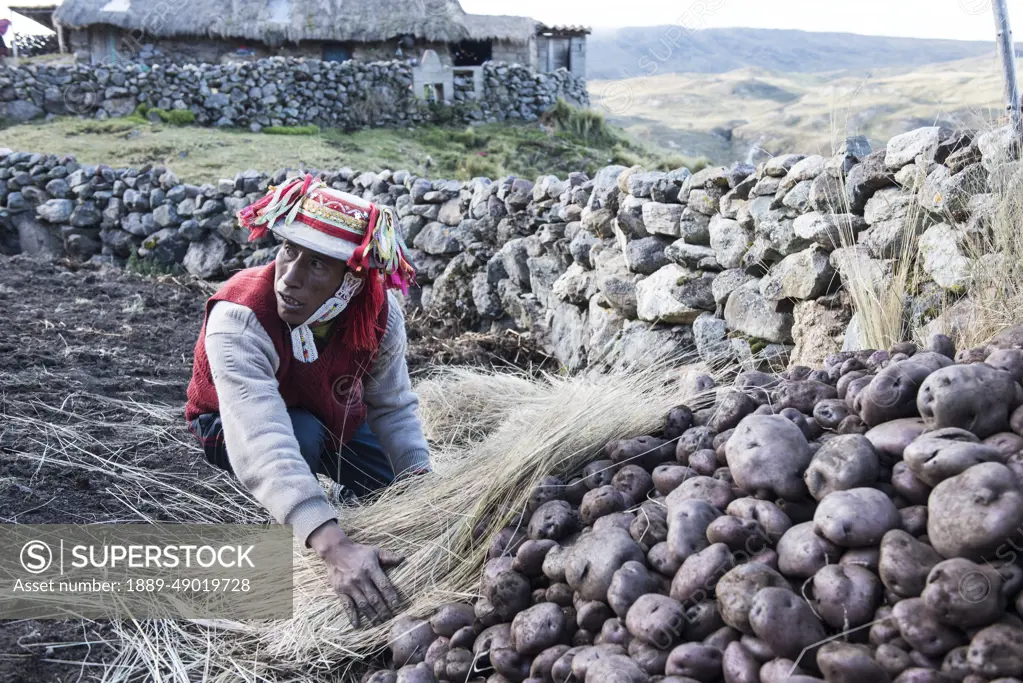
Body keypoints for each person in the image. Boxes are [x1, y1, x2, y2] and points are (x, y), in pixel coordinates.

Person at [185, 174, 430, 627]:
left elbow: (392, 407)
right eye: (289, 252)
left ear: (351, 280)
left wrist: (426, 488)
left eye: (318, 265)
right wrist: (332, 545)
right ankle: (304, 518)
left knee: (398, 486)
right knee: (300, 435)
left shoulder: (379, 313)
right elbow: (262, 438)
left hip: (330, 413)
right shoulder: (239, 318)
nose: (290, 279)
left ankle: (334, 497)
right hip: (233, 426)